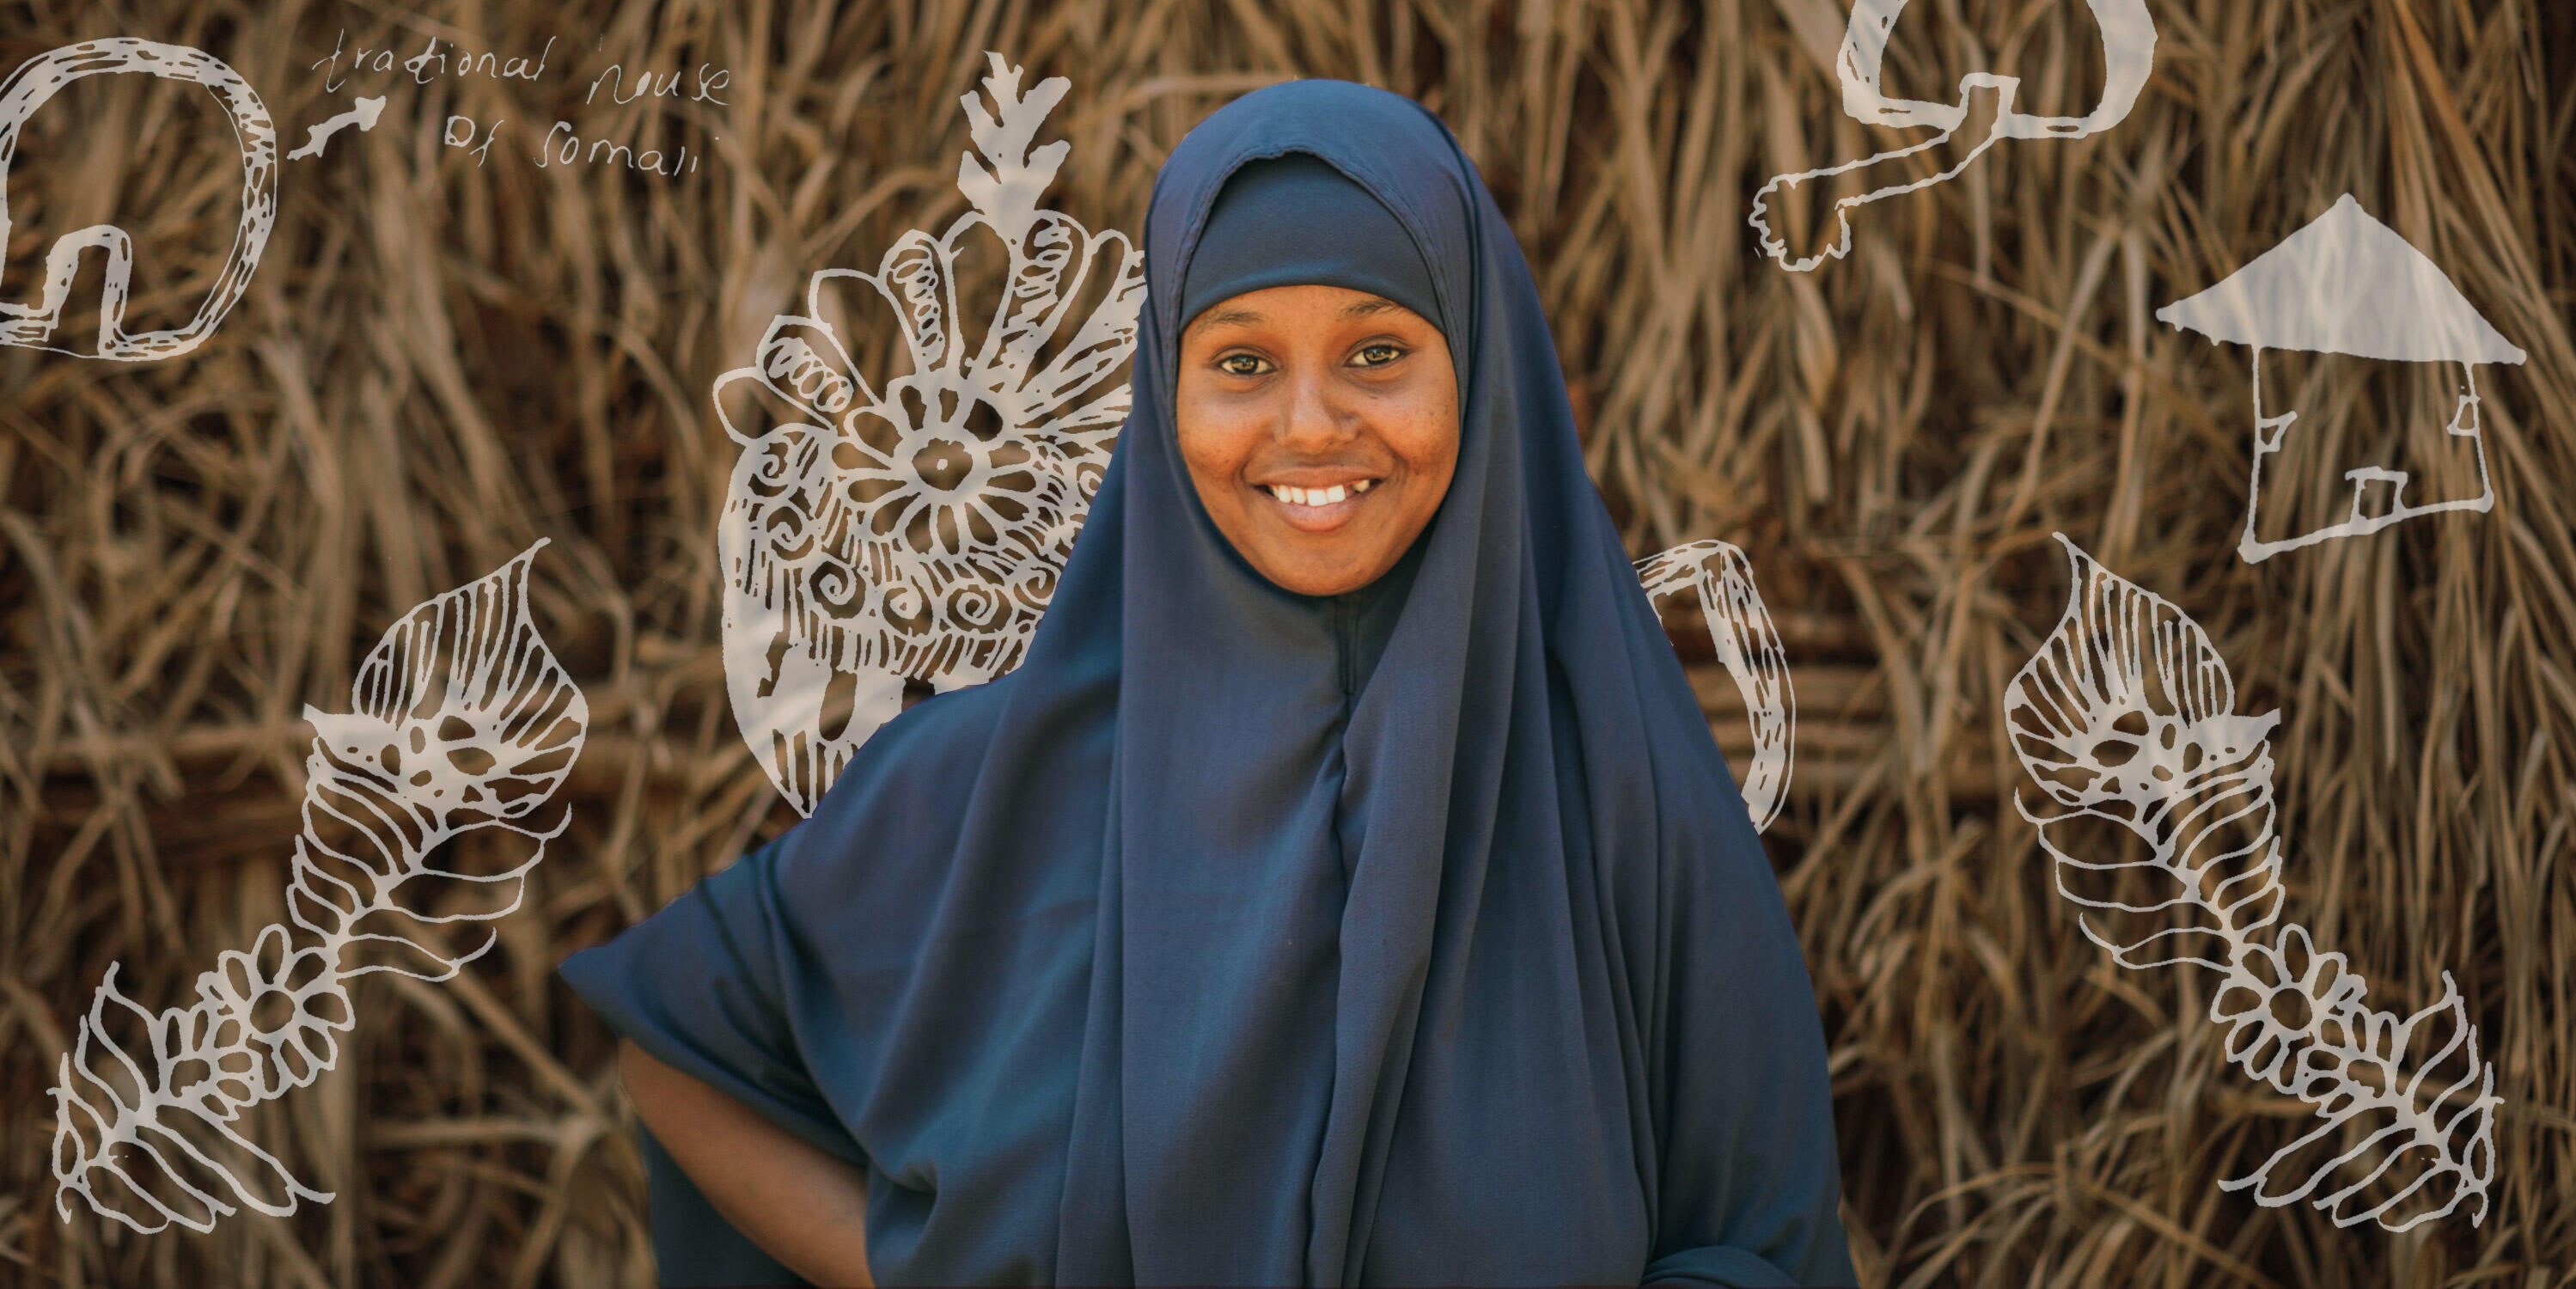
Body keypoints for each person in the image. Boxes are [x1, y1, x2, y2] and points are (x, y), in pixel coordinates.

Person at [559, 78, 1859, 1288]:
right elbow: (682, 1045)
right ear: (1163, 393)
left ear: (1485, 370)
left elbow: (1760, 1241)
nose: (1309, 426)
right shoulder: (987, 791)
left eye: (1378, 354)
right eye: (1241, 363)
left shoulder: (1622, 808)